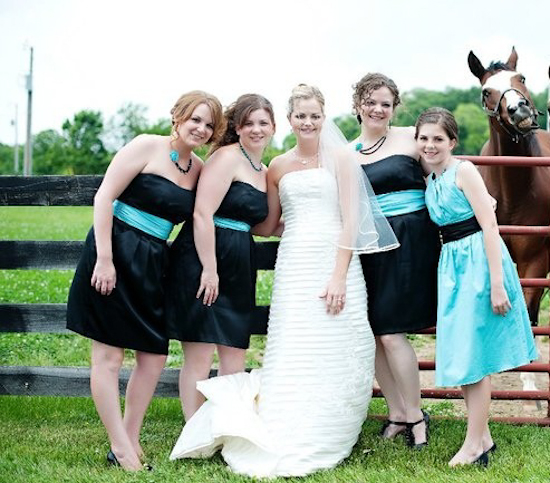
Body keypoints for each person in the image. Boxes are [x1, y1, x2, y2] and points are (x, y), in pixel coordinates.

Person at [169, 84, 398, 477]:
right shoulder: (276, 166)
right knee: (294, 343)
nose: (308, 122)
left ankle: (328, 426)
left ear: (324, 118)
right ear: (289, 121)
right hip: (295, 263)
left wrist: (338, 276)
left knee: (337, 341)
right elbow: (269, 223)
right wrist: (249, 225)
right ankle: (271, 421)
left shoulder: (342, 159)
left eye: (314, 116)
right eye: (300, 116)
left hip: (335, 259)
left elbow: (351, 221)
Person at [66, 90, 224, 471]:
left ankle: (130, 436)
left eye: (209, 124)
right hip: (115, 250)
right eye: (195, 119)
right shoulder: (146, 147)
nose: (201, 129)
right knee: (109, 356)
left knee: (153, 356)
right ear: (177, 117)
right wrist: (105, 259)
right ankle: (121, 448)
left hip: (154, 262)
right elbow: (104, 197)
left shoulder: (200, 170)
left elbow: (206, 215)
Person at [416, 107, 537, 467]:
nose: (430, 145)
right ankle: (482, 437)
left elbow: (490, 226)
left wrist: (498, 285)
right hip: (452, 265)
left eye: (438, 139)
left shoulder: (464, 170)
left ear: (453, 142)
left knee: (476, 356)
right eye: (423, 138)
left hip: (479, 263)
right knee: (463, 352)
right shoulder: (430, 174)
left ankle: (473, 445)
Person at [165, 94, 273, 420]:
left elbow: (263, 226)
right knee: (199, 353)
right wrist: (209, 269)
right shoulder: (226, 158)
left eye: (263, 123)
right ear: (236, 127)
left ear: (273, 127)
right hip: (203, 259)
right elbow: (202, 213)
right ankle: (194, 429)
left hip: (240, 263)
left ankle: (229, 426)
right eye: (248, 123)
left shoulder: (265, 171)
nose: (256, 129)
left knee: (235, 351)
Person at [351, 73, 440, 448]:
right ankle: (397, 412)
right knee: (374, 333)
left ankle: (416, 415)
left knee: (391, 332)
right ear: (358, 105)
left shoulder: (410, 138)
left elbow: (444, 169)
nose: (378, 109)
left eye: (385, 103)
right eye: (370, 102)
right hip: (371, 247)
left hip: (411, 241)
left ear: (394, 107)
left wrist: (479, 199)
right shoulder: (348, 152)